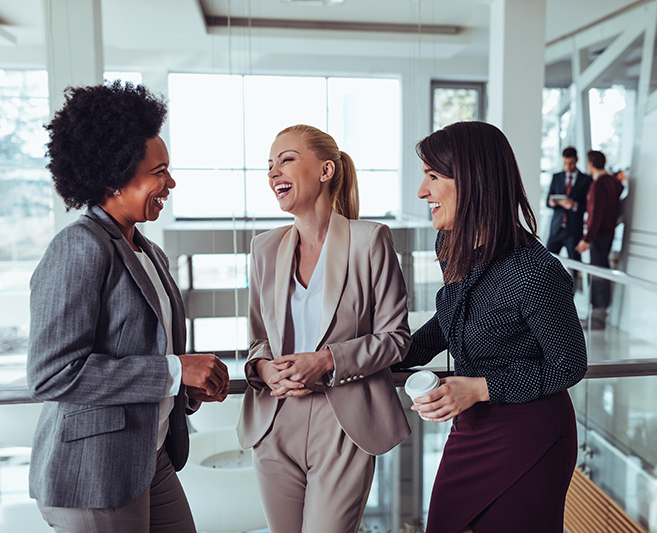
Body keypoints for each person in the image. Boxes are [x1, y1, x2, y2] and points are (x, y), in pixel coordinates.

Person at [27, 81, 230, 533]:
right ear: (114, 178)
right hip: (95, 473)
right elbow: (51, 374)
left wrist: (186, 388)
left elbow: (147, 350)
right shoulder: (79, 247)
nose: (171, 183)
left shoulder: (146, 250)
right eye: (159, 171)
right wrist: (175, 371)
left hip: (148, 457)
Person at [394, 121, 588, 533]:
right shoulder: (451, 245)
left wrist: (479, 387)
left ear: (472, 180)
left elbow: (569, 365)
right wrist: (385, 357)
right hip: (474, 425)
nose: (421, 192)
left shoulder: (534, 272)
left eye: (432, 176)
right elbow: (452, 321)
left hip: (531, 434)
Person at [236, 124, 411, 533]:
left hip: (343, 418)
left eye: (287, 159)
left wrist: (328, 360)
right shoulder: (264, 248)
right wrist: (263, 369)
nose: (273, 171)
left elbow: (397, 339)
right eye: (269, 165)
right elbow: (258, 338)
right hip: (274, 419)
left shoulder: (370, 241)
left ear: (326, 170)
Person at [576, 150, 624, 329]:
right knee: (601, 270)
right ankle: (598, 315)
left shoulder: (599, 184)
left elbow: (596, 214)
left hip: (598, 235)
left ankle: (597, 318)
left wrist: (587, 238)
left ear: (590, 164)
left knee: (598, 273)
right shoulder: (614, 182)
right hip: (609, 233)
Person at [545, 146, 592, 289]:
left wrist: (574, 205)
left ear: (576, 160)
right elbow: (548, 200)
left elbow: (589, 206)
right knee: (547, 262)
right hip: (556, 228)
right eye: (565, 163)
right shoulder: (556, 177)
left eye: (571, 163)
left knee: (574, 265)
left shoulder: (586, 180)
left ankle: (572, 298)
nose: (568, 166)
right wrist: (552, 202)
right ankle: (548, 291)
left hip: (573, 230)